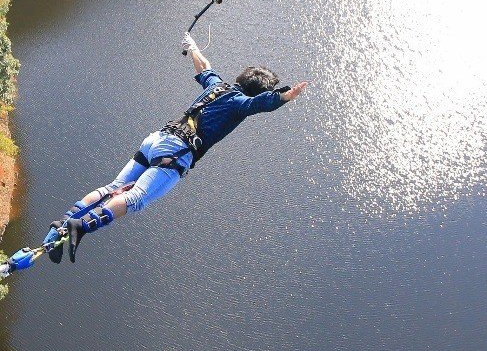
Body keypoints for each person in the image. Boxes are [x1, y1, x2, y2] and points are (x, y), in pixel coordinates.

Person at [44, 33, 309, 262]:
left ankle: (60, 228)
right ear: (256, 90)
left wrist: (192, 45)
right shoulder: (240, 103)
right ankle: (82, 226)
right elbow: (261, 104)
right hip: (176, 154)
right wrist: (285, 96)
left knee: (113, 188)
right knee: (135, 199)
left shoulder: (217, 86)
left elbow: (204, 66)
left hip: (156, 140)